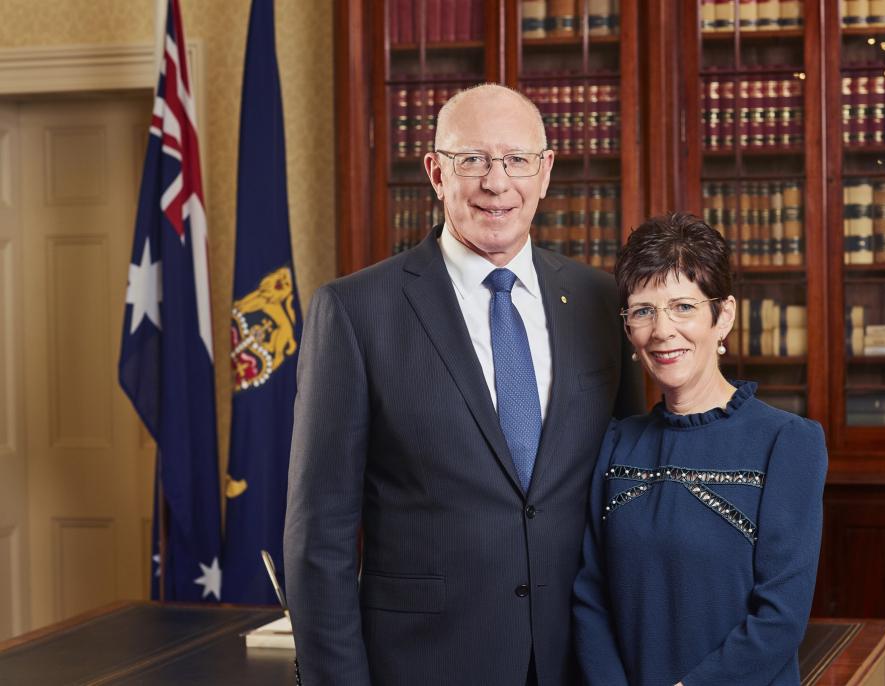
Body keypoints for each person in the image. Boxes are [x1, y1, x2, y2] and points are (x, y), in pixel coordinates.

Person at [284, 83, 643, 686]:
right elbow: (319, 538)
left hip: (580, 659)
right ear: (435, 172)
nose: (496, 183)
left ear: (545, 171)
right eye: (472, 159)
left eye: (516, 160)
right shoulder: (354, 311)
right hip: (425, 663)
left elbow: (627, 490)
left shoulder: (600, 301)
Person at [572, 213, 827, 686]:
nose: (663, 330)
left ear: (723, 314)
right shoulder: (614, 443)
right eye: (643, 310)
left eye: (683, 306)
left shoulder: (788, 443)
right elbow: (590, 595)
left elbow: (780, 617)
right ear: (628, 329)